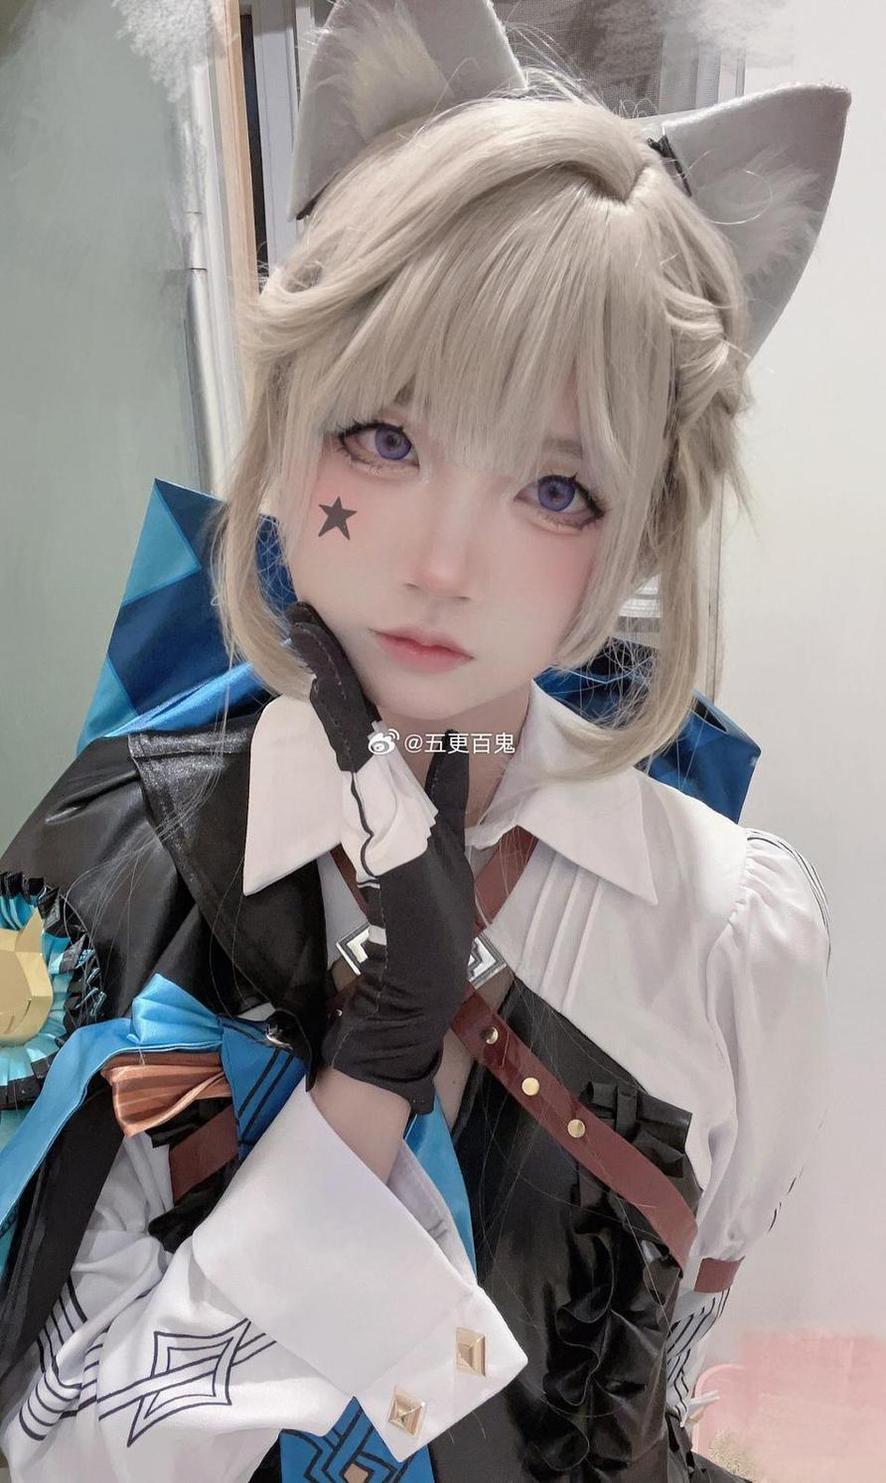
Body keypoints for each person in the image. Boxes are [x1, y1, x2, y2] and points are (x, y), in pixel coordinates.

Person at [0, 1, 848, 1479]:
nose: (444, 564)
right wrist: (364, 1091)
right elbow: (57, 1446)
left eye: (555, 490)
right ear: (288, 426)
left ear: (637, 532)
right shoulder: (117, 869)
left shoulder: (731, 931)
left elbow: (679, 1353)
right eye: (384, 439)